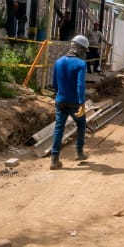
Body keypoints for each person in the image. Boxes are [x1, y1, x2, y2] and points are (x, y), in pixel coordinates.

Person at [49, 34, 89, 169]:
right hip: (75, 103)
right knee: (81, 124)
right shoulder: (81, 64)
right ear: (80, 49)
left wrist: (59, 95)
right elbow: (80, 85)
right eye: (84, 51)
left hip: (60, 101)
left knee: (58, 128)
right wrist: (82, 103)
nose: (84, 54)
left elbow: (54, 83)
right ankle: (79, 152)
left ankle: (54, 159)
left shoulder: (58, 62)